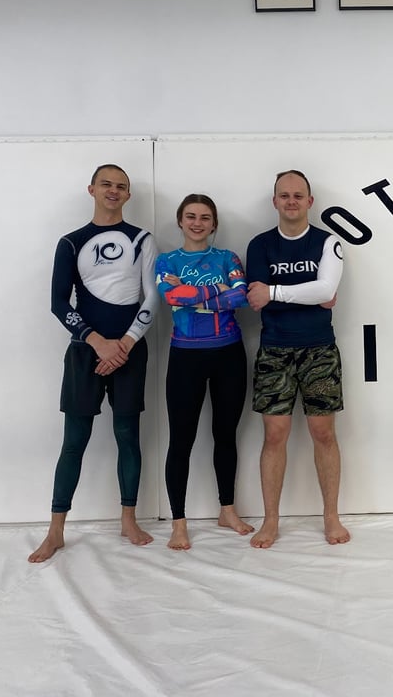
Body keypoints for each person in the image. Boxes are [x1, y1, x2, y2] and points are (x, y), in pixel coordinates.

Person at [28, 164, 158, 563]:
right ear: (92, 189)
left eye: (121, 186)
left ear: (128, 195)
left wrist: (124, 344)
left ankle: (128, 520)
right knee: (74, 442)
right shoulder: (71, 242)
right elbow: (57, 302)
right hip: (85, 351)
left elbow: (153, 297)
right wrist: (98, 342)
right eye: (106, 184)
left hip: (130, 351)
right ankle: (55, 531)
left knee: (127, 436)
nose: (113, 191)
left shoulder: (142, 239)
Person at [245, 170, 349, 549]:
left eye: (298, 195)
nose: (291, 201)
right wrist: (309, 294)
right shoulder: (260, 245)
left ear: (310, 201)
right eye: (284, 195)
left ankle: (331, 516)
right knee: (274, 435)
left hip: (319, 349)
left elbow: (326, 289)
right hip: (274, 350)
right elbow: (256, 298)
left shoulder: (328, 242)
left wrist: (276, 292)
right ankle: (270, 520)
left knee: (324, 434)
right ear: (275, 201)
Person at [156, 195, 252, 551]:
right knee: (181, 440)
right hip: (185, 356)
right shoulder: (167, 261)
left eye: (205, 218)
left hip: (228, 354)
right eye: (191, 216)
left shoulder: (228, 257)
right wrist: (217, 290)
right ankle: (178, 523)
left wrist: (193, 294)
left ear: (214, 224)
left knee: (225, 435)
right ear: (180, 221)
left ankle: (227, 510)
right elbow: (171, 296)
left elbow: (240, 297)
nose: (198, 223)